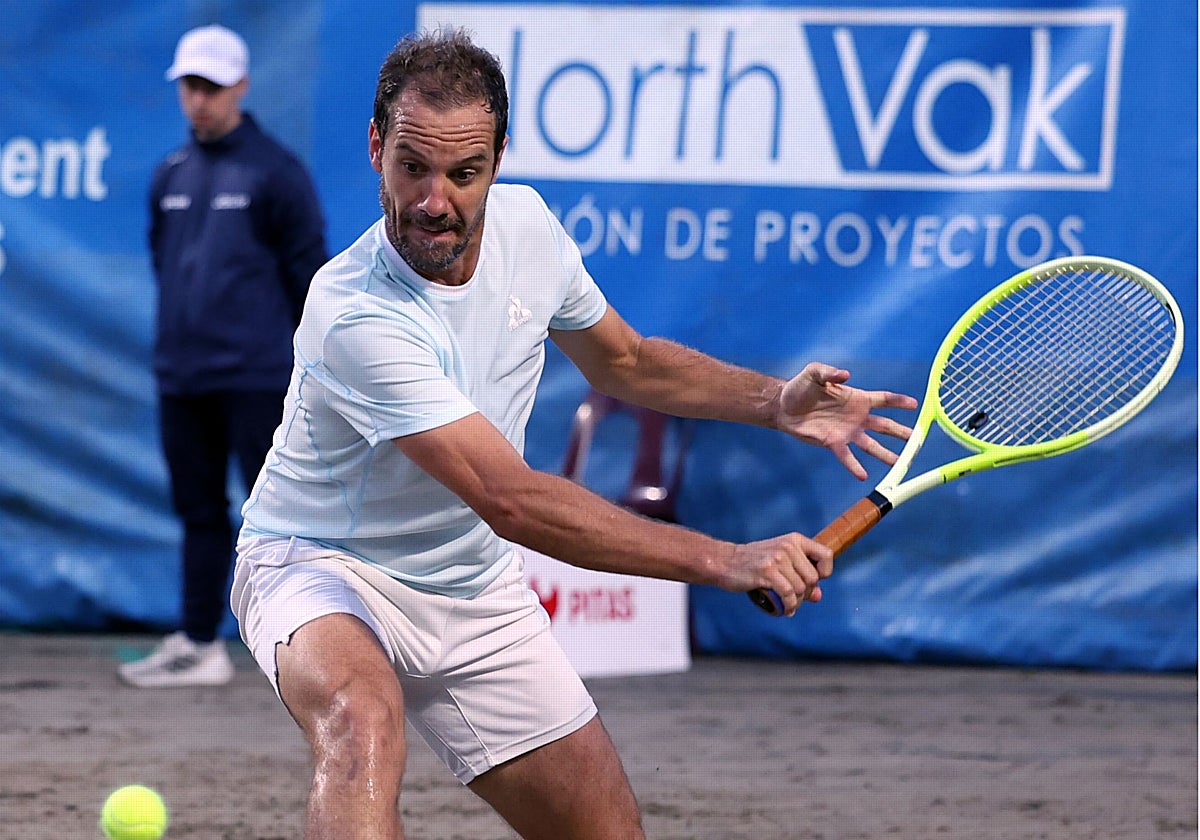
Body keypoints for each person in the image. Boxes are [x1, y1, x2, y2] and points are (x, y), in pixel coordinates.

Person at [230, 28, 916, 839]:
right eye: (412, 167)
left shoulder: (529, 228)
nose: (434, 201)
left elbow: (626, 361)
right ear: (377, 148)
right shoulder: (354, 315)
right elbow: (511, 501)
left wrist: (775, 403)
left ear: (499, 159)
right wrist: (729, 560)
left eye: (463, 173)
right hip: (321, 565)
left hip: (470, 584)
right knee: (361, 719)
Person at [120, 25, 328, 689]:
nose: (199, 99)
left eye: (211, 86)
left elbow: (309, 279)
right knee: (199, 513)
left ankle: (308, 650)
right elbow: (165, 263)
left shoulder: (277, 173)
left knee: (281, 519)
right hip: (182, 376)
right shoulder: (169, 174)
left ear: (240, 85)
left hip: (257, 378)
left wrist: (303, 369)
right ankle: (199, 644)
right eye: (190, 85)